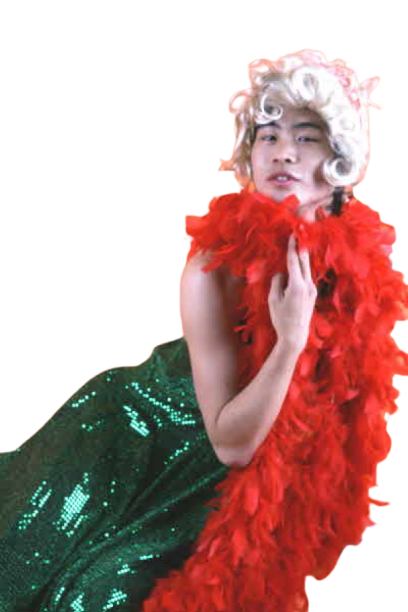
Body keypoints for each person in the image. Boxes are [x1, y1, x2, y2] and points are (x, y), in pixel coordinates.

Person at [1, 51, 402, 612]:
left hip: (248, 469)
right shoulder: (211, 270)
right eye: (267, 136)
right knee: (86, 589)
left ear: (339, 157)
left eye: (306, 137)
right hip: (143, 441)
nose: (282, 151)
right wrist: (290, 341)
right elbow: (232, 445)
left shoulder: (360, 265)